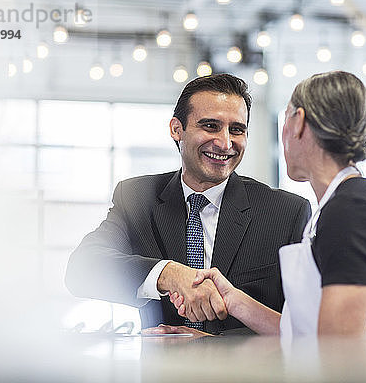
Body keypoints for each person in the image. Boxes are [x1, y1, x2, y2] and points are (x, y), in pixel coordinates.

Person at [164, 71, 366, 339]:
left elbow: (340, 350)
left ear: (298, 121)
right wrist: (233, 300)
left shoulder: (354, 209)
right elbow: (309, 335)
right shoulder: (350, 201)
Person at [65, 73, 311, 334]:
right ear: (176, 129)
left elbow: (304, 327)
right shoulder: (137, 197)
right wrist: (168, 274)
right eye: (210, 126)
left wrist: (211, 344)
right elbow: (82, 270)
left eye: (236, 130)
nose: (225, 143)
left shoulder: (286, 212)